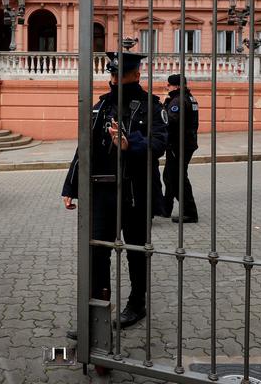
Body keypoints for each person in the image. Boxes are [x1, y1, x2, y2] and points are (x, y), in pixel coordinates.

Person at [61, 52, 168, 335]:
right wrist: (71, 186)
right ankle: (98, 314)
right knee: (98, 253)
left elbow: (158, 145)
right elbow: (84, 148)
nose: (114, 81)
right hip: (102, 193)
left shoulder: (151, 108)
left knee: (136, 252)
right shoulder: (101, 106)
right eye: (111, 76)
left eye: (119, 76)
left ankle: (137, 304)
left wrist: (128, 143)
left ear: (136, 75)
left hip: (135, 193)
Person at [162, 73, 199, 223]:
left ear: (176, 86)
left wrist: (163, 110)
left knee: (178, 178)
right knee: (170, 176)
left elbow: (170, 121)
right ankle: (166, 208)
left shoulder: (179, 100)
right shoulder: (189, 98)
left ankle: (190, 212)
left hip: (179, 144)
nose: (167, 87)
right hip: (186, 143)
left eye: (169, 85)